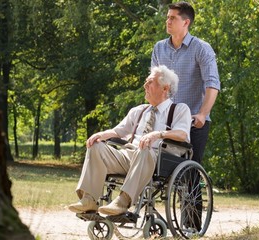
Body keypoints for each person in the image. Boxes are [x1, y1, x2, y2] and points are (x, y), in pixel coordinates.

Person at [67, 65, 192, 215]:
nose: (145, 85)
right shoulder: (139, 111)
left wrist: (157, 134)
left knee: (145, 148)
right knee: (96, 147)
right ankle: (89, 200)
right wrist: (101, 135)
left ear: (165, 88)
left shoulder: (179, 109)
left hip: (157, 160)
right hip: (129, 156)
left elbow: (182, 134)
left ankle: (122, 202)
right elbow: (118, 131)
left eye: (150, 82)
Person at [151, 1, 220, 165]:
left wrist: (203, 114)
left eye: (173, 18)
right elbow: (153, 84)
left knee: (189, 174)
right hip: (165, 120)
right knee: (156, 169)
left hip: (194, 121)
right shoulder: (159, 48)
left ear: (186, 22)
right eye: (167, 17)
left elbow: (212, 84)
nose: (168, 21)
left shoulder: (201, 48)